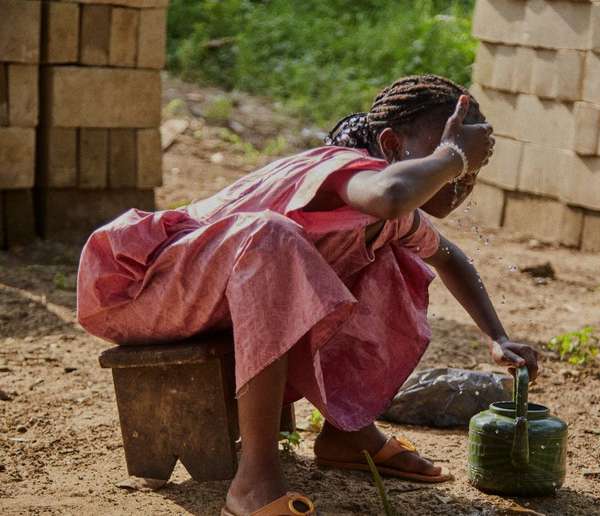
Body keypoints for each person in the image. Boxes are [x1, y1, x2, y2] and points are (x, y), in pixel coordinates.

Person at [76, 74, 540, 516]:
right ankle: (253, 481)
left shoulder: (390, 212)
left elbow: (450, 257)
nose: (460, 178)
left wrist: (497, 337)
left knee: (390, 260)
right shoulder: (342, 169)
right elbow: (392, 194)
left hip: (205, 297)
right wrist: (453, 156)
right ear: (391, 146)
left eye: (471, 167)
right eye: (444, 152)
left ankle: (347, 433)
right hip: (139, 289)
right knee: (271, 236)